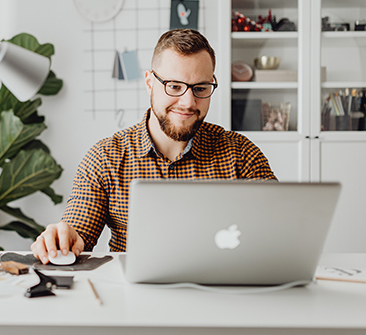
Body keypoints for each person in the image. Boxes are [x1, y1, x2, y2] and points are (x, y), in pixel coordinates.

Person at [31, 29, 277, 264]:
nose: (188, 102)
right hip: (134, 298)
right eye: (174, 86)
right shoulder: (105, 157)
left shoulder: (241, 154)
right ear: (150, 82)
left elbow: (280, 229)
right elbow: (78, 232)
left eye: (201, 88)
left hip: (222, 293)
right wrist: (64, 238)